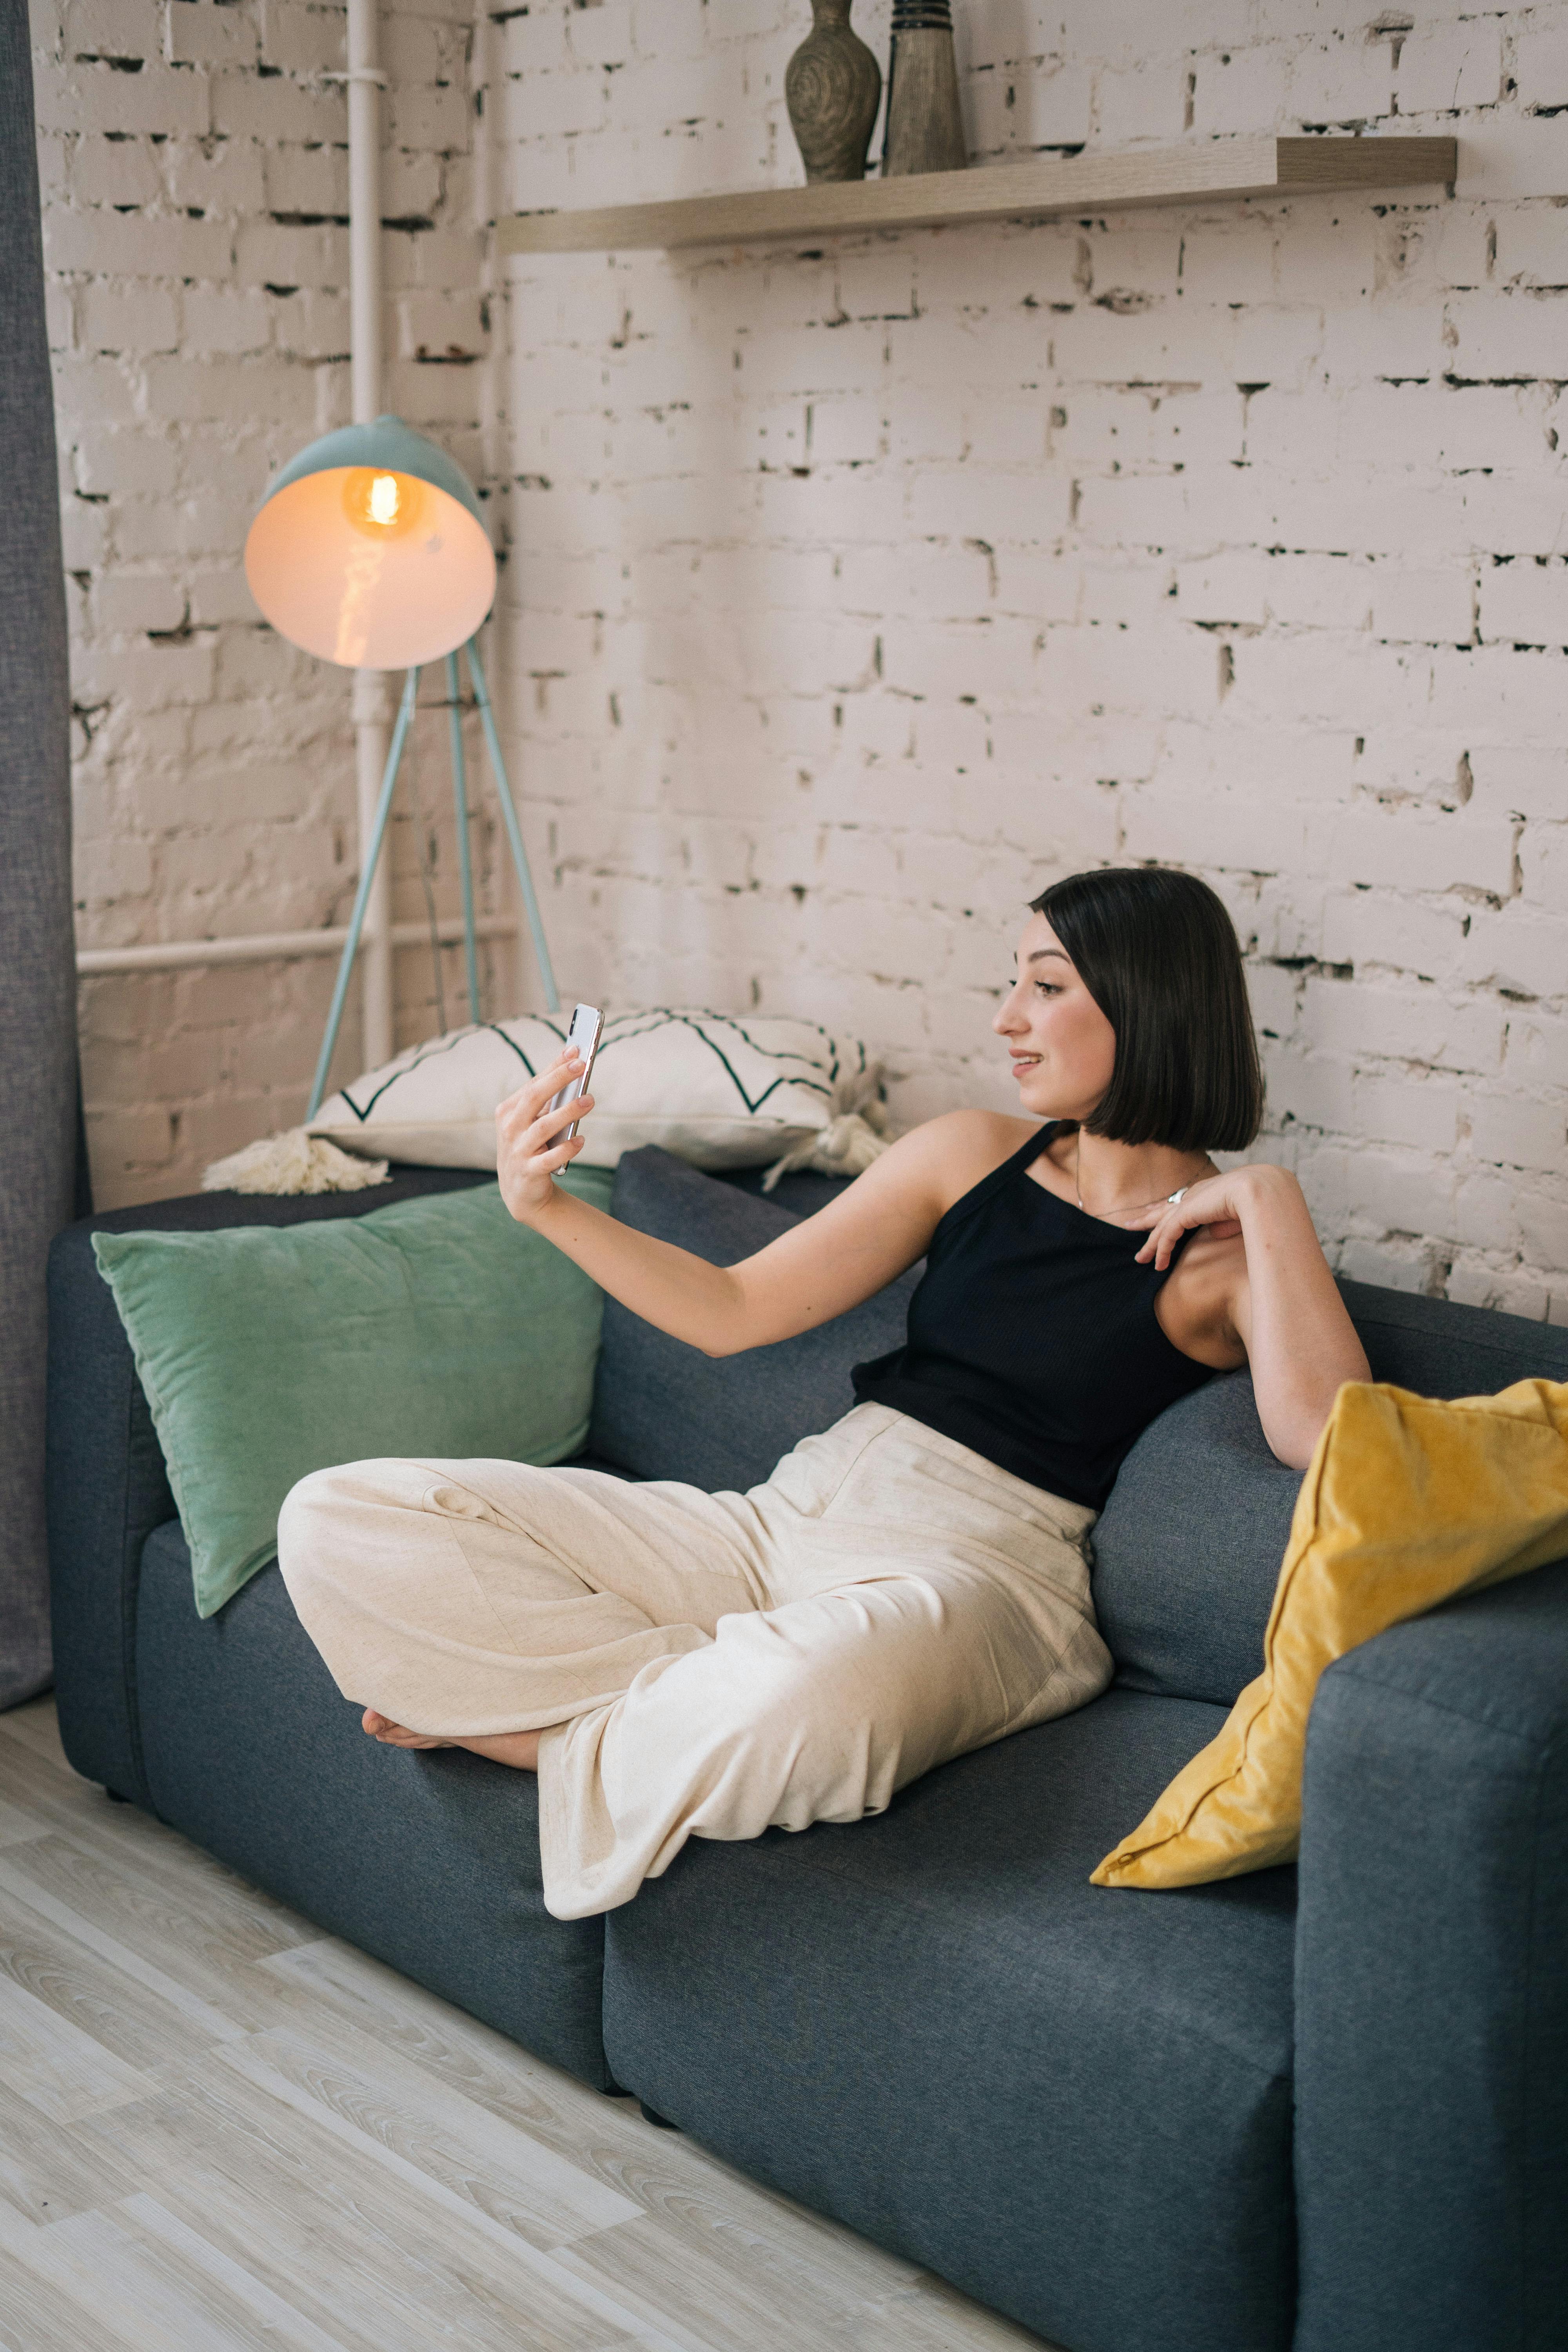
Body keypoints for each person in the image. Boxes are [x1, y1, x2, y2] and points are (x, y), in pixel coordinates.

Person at [278, 866, 1370, 1919]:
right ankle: (670, 1714)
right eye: (1015, 983)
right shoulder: (970, 1154)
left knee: (814, 1695)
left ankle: (533, 1733)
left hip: (975, 1578)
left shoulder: (1224, 1256)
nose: (1007, 1019)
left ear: (1149, 1004)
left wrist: (1271, 1198)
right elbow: (733, 1307)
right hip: (778, 1522)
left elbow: (1329, 1433)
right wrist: (545, 1207)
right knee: (338, 1514)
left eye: (1046, 986)